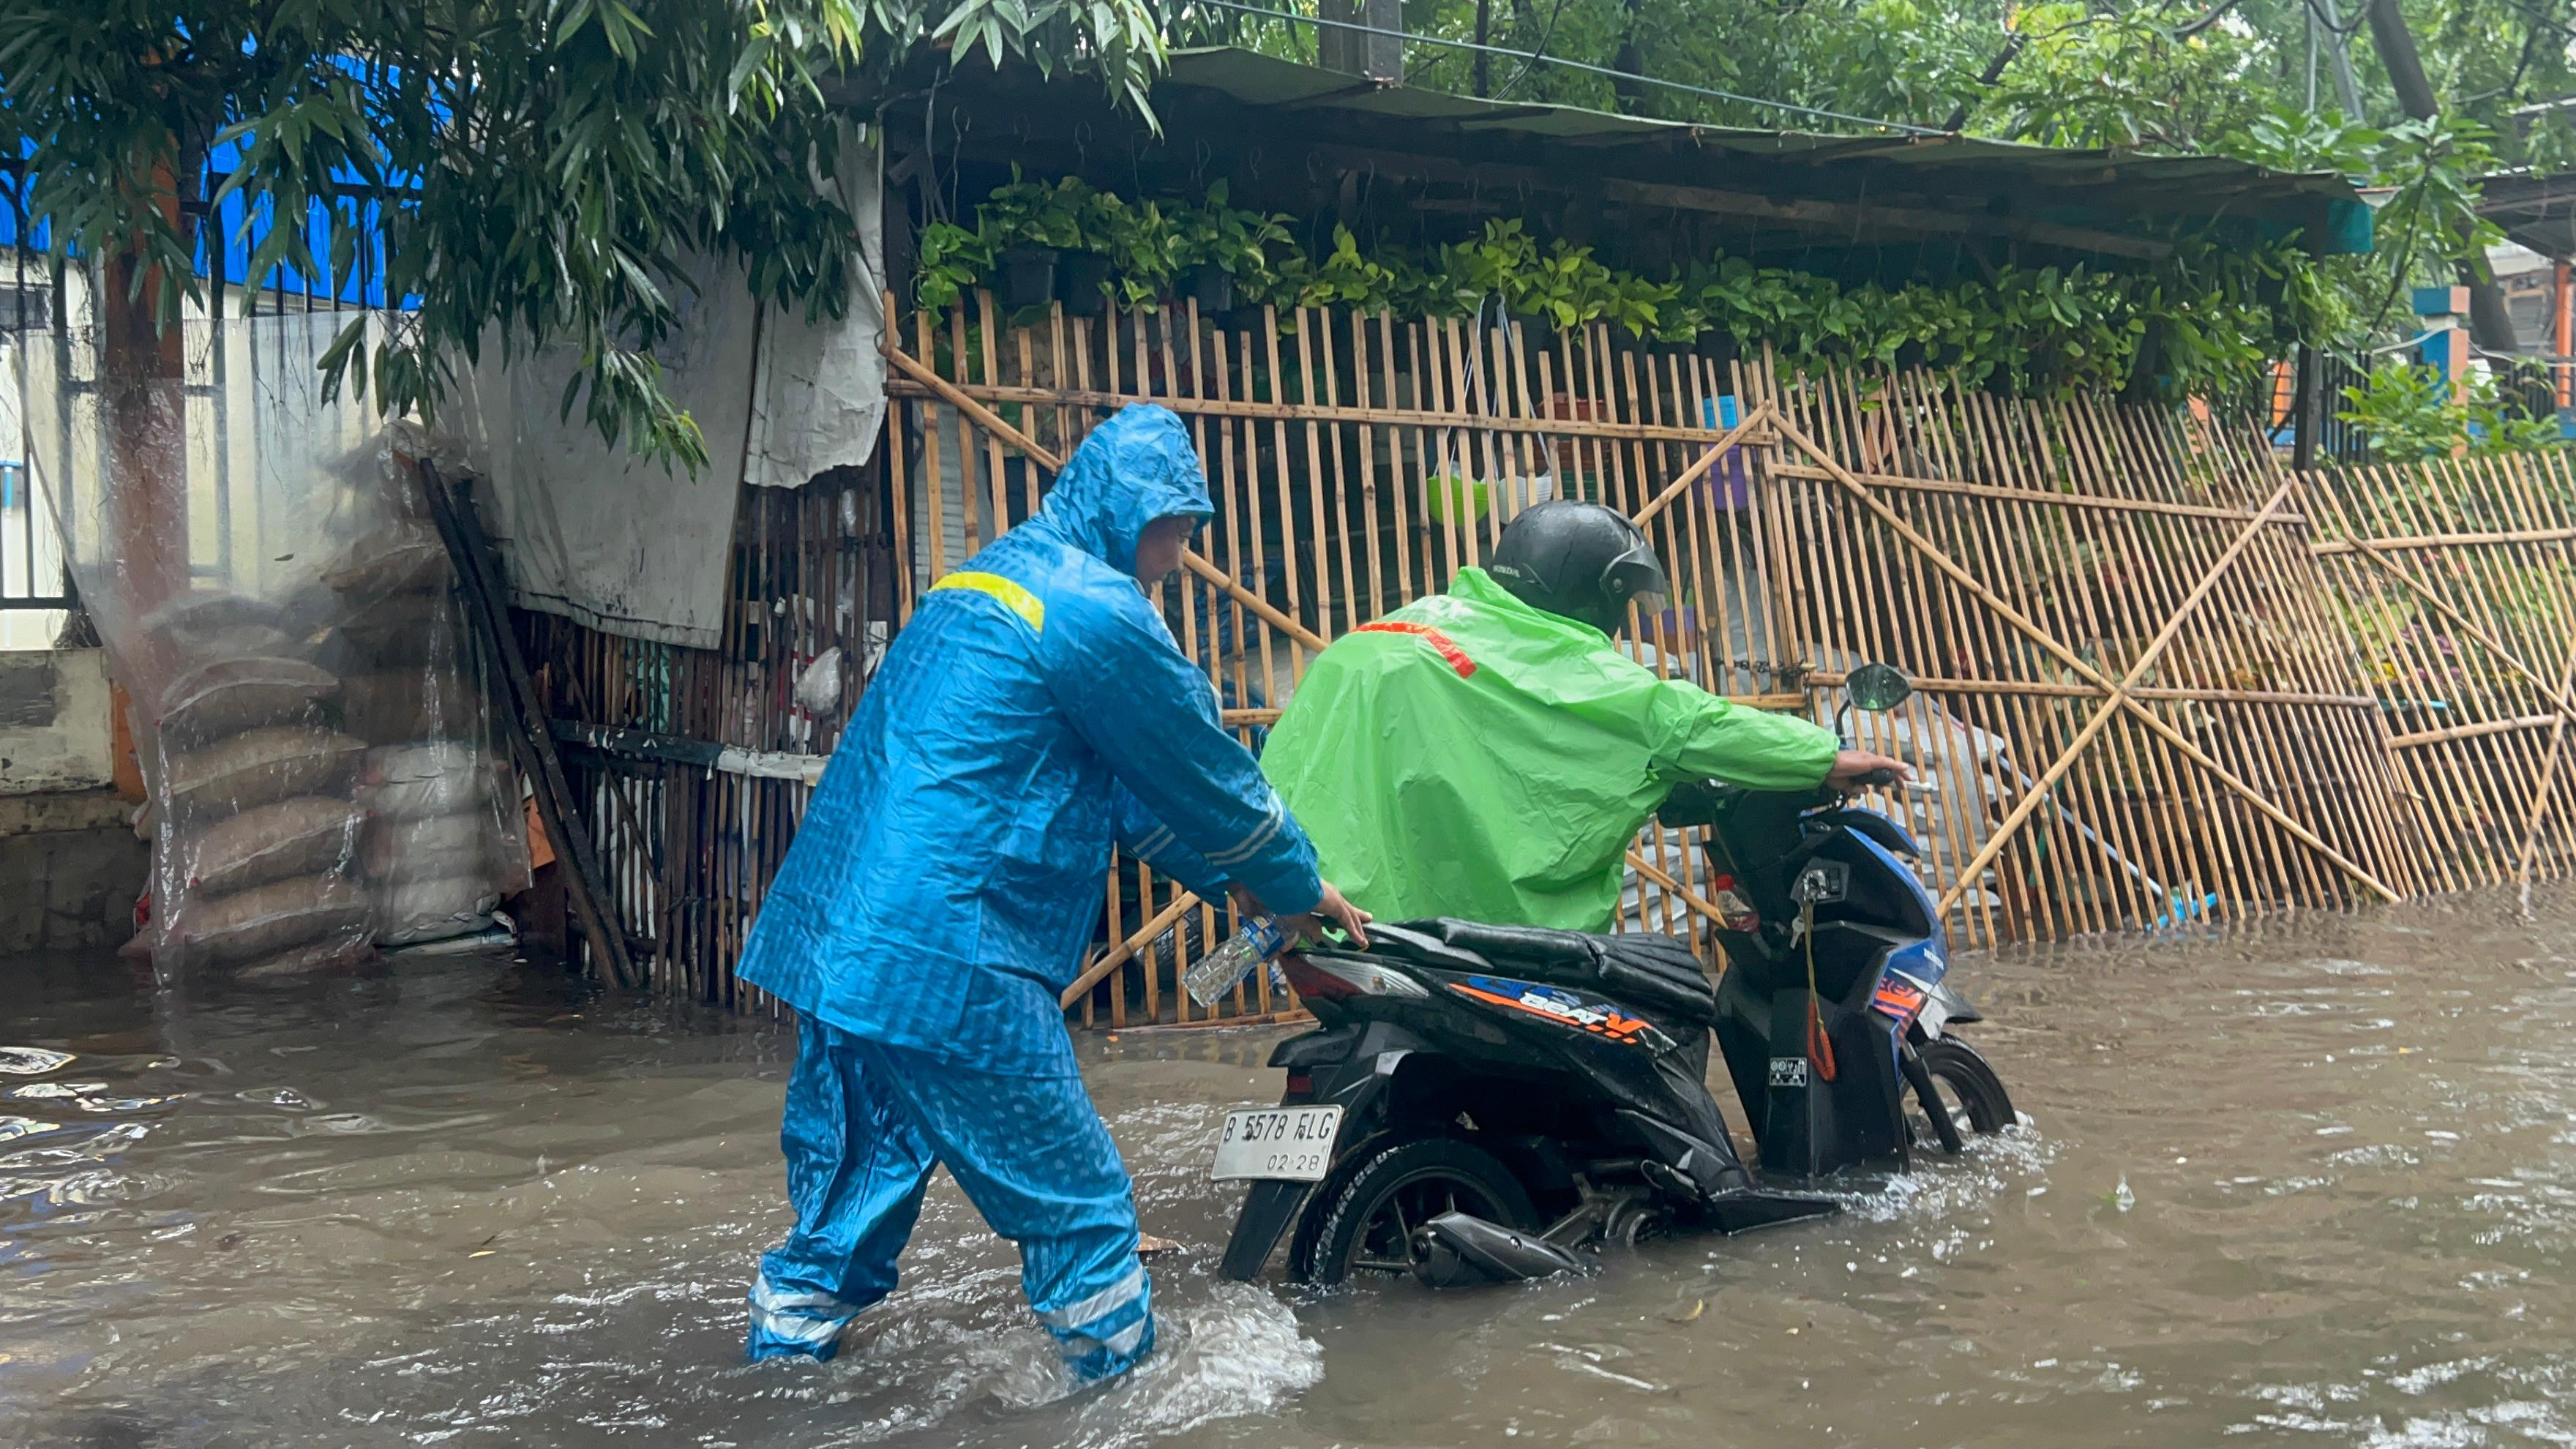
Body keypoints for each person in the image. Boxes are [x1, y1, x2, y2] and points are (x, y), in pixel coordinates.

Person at [735, 403, 1369, 1380]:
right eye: (1171, 524)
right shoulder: (1094, 611)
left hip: (845, 945)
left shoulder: (980, 586)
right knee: (1080, 1202)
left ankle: (778, 1376)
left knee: (857, 1183)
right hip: (955, 952)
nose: (1180, 550)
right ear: (1122, 510)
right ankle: (1125, 1393)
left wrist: (1244, 889)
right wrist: (1293, 878)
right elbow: (1202, 776)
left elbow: (1121, 797)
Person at [1259, 499, 1907, 932]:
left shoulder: (1383, 635)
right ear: (1590, 592)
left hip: (1322, 918)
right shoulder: (1552, 660)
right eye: (1621, 602)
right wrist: (1825, 756)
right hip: (1448, 941)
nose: (1622, 623)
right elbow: (1682, 721)